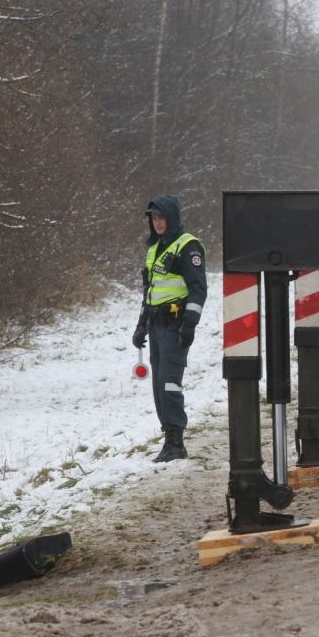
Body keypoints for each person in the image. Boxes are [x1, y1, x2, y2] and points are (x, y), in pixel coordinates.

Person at [131, 194, 207, 463]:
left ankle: (176, 442)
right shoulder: (154, 248)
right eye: (154, 218)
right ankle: (169, 439)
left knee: (170, 384)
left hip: (176, 326)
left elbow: (198, 289)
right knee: (158, 385)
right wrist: (141, 326)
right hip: (156, 325)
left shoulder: (188, 247)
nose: (157, 222)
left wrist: (190, 323)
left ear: (172, 218)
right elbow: (149, 291)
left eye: (161, 217)